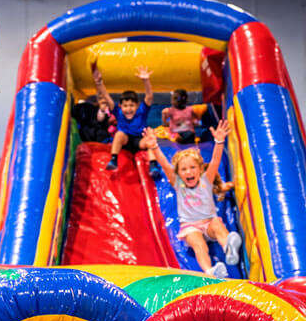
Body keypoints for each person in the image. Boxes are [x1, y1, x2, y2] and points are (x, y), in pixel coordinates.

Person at [144, 120, 241, 278]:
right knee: (199, 244)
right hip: (191, 227)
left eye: (192, 167)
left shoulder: (206, 180)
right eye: (183, 169)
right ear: (178, 173)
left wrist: (219, 141)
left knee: (217, 225)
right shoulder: (178, 184)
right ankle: (210, 271)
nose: (188, 172)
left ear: (200, 169)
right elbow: (165, 165)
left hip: (209, 224)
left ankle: (229, 249)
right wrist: (154, 146)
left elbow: (215, 161)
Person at [92, 64, 154, 172]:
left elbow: (149, 96)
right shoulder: (118, 112)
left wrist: (146, 81)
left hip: (139, 141)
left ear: (137, 106)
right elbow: (107, 97)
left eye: (131, 105)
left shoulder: (142, 111)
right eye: (125, 106)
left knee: (150, 138)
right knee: (119, 134)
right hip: (125, 142)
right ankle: (113, 160)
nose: (128, 109)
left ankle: (153, 165)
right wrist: (99, 82)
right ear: (120, 106)